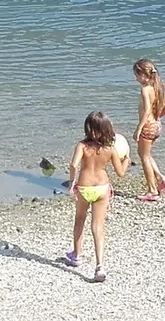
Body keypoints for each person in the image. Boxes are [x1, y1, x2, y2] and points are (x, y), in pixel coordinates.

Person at [65, 111, 130, 283]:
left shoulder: (82, 146)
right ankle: (100, 265)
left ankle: (76, 256)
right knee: (98, 226)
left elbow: (73, 165)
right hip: (102, 188)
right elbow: (120, 173)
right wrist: (127, 160)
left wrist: (72, 182)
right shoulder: (110, 149)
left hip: (84, 187)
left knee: (80, 220)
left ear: (87, 127)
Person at [132, 58, 165, 202]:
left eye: (137, 75)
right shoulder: (158, 87)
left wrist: (139, 128)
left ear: (143, 74)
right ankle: (162, 179)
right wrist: (158, 117)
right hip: (156, 125)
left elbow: (147, 109)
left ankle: (152, 190)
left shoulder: (145, 89)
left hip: (148, 127)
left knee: (144, 157)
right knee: (146, 154)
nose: (136, 79)